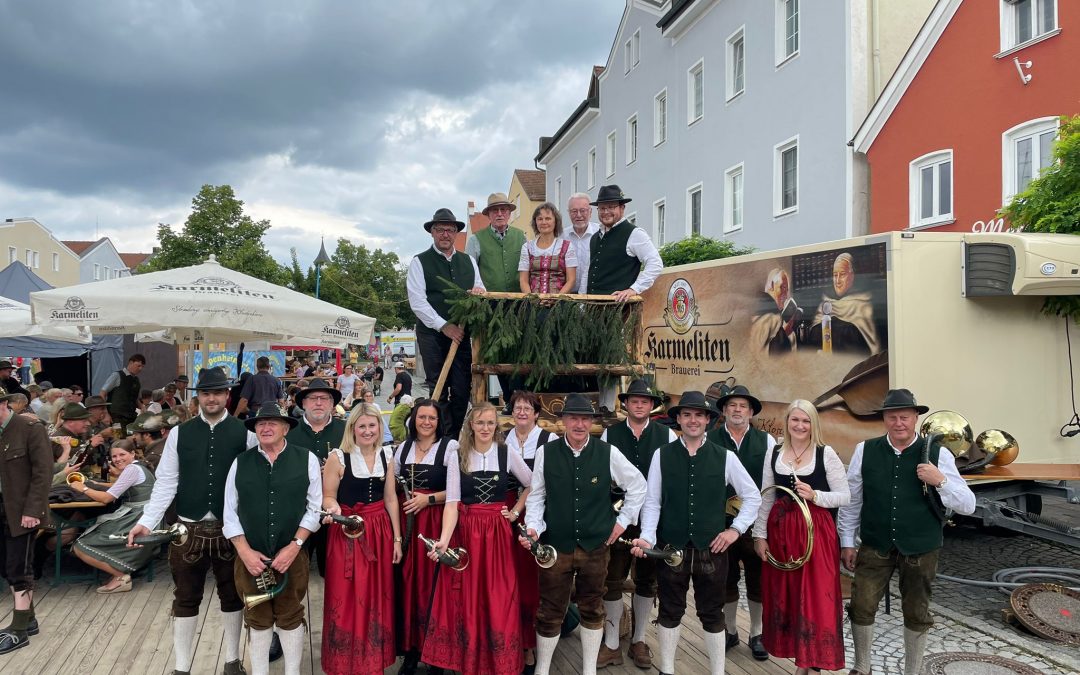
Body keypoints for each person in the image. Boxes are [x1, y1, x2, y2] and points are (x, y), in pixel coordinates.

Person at [127, 366, 257, 675]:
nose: (211, 398)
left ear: (227, 395)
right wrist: (147, 520)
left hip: (230, 529)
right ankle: (182, 667)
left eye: (217, 392)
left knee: (233, 595)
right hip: (188, 528)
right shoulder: (179, 434)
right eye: (205, 393)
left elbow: (254, 482)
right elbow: (166, 482)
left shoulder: (245, 433)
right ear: (198, 397)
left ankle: (231, 660)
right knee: (185, 596)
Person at [838, 389, 975, 675]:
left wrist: (940, 481)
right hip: (875, 543)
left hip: (921, 546)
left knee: (917, 611)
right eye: (892, 417)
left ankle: (912, 671)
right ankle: (862, 667)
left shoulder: (938, 453)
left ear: (915, 418)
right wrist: (847, 542)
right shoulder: (866, 450)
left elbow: (968, 505)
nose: (898, 422)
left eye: (904, 417)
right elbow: (853, 501)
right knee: (861, 605)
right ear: (884, 420)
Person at [631, 390, 762, 675]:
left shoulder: (724, 457)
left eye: (699, 415)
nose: (693, 420)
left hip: (711, 549)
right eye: (687, 414)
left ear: (708, 420)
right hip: (671, 548)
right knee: (669, 611)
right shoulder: (661, 456)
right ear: (678, 419)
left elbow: (753, 496)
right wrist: (648, 537)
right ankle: (667, 669)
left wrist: (735, 531)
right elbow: (652, 502)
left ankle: (717, 672)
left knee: (712, 614)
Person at [521, 393, 648, 675]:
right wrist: (534, 527)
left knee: (592, 606)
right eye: (574, 418)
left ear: (591, 422)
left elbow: (638, 485)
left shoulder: (607, 453)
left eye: (585, 419)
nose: (579, 424)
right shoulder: (547, 452)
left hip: (595, 546)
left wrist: (622, 522)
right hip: (556, 545)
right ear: (563, 420)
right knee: (550, 609)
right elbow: (537, 496)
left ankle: (589, 669)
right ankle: (543, 669)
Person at [423, 403, 532, 675]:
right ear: (471, 425)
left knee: (498, 595)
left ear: (496, 425)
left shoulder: (506, 453)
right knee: (468, 598)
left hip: (496, 533)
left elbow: (532, 484)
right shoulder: (459, 455)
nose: (485, 428)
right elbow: (452, 502)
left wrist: (516, 511)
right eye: (480, 422)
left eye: (490, 423)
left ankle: (497, 663)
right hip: (468, 531)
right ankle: (469, 661)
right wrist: (445, 540)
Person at [752, 400, 850, 675]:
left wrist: (815, 495)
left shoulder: (825, 453)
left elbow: (845, 496)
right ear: (787, 421)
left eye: (805, 421)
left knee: (816, 597)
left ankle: (810, 665)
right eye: (795, 420)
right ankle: (802, 660)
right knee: (790, 596)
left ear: (813, 424)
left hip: (815, 532)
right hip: (781, 534)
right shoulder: (774, 452)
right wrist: (759, 535)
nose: (799, 425)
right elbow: (768, 494)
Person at [225, 402, 322, 675]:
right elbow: (229, 512)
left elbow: (314, 508)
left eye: (272, 423)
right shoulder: (240, 462)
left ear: (285, 428)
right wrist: (244, 551)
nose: (265, 428)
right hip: (249, 556)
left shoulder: (307, 459)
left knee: (291, 615)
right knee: (257, 619)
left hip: (292, 553)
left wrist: (295, 545)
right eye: (260, 424)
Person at [597, 379, 677, 669]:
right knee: (613, 578)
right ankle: (612, 643)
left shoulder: (667, 435)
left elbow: (671, 478)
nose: (640, 404)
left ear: (651, 404)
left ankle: (639, 640)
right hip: (619, 517)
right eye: (634, 400)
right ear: (626, 403)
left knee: (647, 580)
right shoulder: (610, 434)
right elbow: (604, 477)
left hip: (653, 519)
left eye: (645, 400)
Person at [321, 403, 402, 675]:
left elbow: (391, 498)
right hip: (347, 531)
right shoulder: (338, 457)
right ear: (352, 428)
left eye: (372, 425)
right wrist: (333, 509)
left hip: (379, 531)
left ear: (380, 427)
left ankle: (372, 661)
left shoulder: (386, 455)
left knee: (376, 594)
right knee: (345, 594)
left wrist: (397, 539)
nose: (367, 431)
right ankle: (345, 662)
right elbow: (328, 495)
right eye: (362, 426)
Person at [706, 384, 775, 660]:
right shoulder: (710, 439)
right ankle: (731, 630)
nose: (737, 410)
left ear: (751, 412)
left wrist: (764, 527)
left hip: (756, 522)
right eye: (732, 405)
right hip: (721, 522)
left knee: (758, 581)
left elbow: (770, 482)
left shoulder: (766, 441)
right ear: (723, 410)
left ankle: (756, 633)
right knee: (726, 578)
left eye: (742, 406)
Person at [407, 208, 486, 437]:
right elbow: (418, 302)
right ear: (432, 232)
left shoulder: (468, 261)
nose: (445, 234)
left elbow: (480, 290)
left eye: (450, 230)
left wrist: (478, 294)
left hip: (461, 334)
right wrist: (444, 325)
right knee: (438, 388)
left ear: (456, 233)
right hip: (432, 335)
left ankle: (452, 437)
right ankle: (439, 438)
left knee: (462, 389)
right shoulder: (419, 262)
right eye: (440, 229)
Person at [395, 399, 455, 675]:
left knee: (435, 586)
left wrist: (428, 500)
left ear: (438, 421)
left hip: (436, 522)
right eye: (422, 417)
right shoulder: (403, 449)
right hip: (409, 525)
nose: (427, 422)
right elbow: (392, 484)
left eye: (432, 418)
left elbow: (457, 490)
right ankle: (411, 650)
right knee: (409, 586)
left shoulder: (449, 448)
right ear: (413, 420)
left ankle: (436, 656)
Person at [503, 390, 554, 671]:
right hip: (507, 513)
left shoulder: (549, 440)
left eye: (527, 408)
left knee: (531, 579)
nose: (521, 412)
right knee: (508, 576)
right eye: (517, 408)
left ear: (537, 413)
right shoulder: (503, 439)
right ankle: (511, 637)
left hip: (537, 514)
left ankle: (530, 643)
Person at [0, 386, 52, 655]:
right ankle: (28, 619)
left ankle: (19, 630)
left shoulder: (30, 428)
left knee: (19, 568)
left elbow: (43, 474)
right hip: (2, 508)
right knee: (6, 567)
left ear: (4, 404)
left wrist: (33, 510)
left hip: (23, 512)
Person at [71, 440, 160, 594]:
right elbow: (120, 486)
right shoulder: (139, 466)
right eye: (114, 456)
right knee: (95, 533)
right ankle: (119, 572)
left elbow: (106, 498)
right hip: (145, 516)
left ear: (132, 453)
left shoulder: (132, 469)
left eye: (122, 455)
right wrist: (93, 483)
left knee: (80, 547)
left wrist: (82, 488)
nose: (117, 459)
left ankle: (121, 576)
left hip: (137, 518)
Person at [285, 377, 346, 577]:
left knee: (331, 571)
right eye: (313, 398)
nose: (318, 403)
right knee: (295, 568)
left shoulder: (346, 431)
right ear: (303, 403)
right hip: (298, 510)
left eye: (324, 398)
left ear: (332, 404)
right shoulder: (288, 431)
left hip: (335, 510)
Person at [581, 185, 662, 302]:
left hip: (620, 310)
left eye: (611, 207)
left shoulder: (634, 234)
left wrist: (634, 289)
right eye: (602, 208)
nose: (606, 212)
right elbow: (588, 270)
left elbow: (655, 263)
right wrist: (582, 301)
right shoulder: (595, 237)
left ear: (622, 208)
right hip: (593, 309)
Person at [807, 252, 881, 356]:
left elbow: (864, 350)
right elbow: (812, 339)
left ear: (852, 275)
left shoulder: (863, 306)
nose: (837, 281)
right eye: (834, 275)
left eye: (842, 274)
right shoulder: (826, 304)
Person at [467, 192, 528, 294]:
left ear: (509, 214)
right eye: (495, 210)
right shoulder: (475, 239)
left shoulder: (521, 237)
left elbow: (528, 268)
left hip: (518, 300)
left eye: (503, 210)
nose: (499, 214)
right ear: (488, 215)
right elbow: (469, 271)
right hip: (488, 301)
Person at [518, 202, 577, 294]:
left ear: (555, 221)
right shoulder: (527, 247)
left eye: (548, 218)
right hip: (533, 303)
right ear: (535, 222)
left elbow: (571, 279)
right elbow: (523, 280)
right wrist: (532, 299)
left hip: (559, 303)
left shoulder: (567, 246)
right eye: (540, 219)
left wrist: (555, 299)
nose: (544, 222)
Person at [752, 268, 801, 355]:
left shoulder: (778, 316)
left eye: (787, 290)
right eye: (782, 287)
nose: (785, 294)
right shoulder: (761, 309)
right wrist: (785, 332)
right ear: (771, 285)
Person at [100, 353, 146, 430]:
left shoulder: (136, 380)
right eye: (138, 366)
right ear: (131, 363)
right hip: (116, 417)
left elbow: (134, 398)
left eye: (142, 367)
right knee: (118, 439)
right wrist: (105, 413)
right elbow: (102, 393)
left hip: (131, 417)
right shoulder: (117, 375)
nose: (140, 369)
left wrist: (142, 406)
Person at [565, 193, 600, 293]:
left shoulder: (601, 234)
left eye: (583, 210)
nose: (579, 215)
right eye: (574, 211)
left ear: (590, 211)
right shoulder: (561, 237)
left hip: (593, 294)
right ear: (569, 213)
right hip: (567, 295)